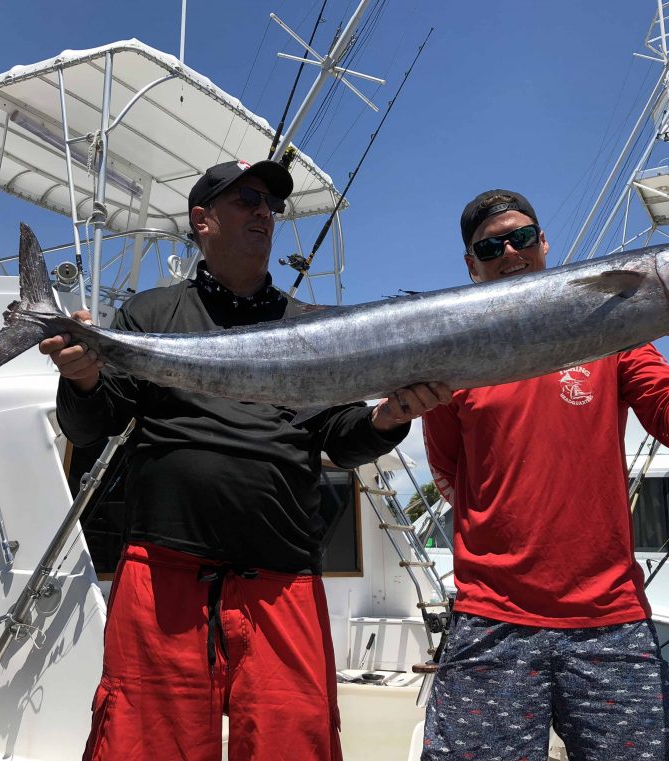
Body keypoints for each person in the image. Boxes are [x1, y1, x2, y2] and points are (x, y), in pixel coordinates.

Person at [40, 159, 451, 761]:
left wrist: (389, 418)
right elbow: (92, 423)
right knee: (145, 744)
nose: (266, 212)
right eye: (248, 200)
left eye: (271, 205)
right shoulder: (150, 316)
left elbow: (339, 435)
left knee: (296, 743)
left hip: (281, 574)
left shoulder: (310, 327)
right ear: (202, 220)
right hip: (164, 569)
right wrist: (79, 380)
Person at [420, 189, 669, 760]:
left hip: (610, 616)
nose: (511, 251)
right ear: (471, 266)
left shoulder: (610, 333)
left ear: (544, 243)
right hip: (491, 614)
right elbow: (449, 472)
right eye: (491, 245)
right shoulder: (453, 351)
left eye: (523, 237)